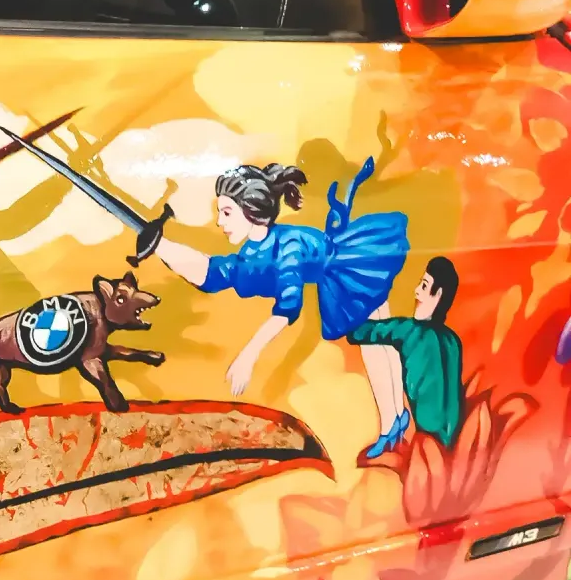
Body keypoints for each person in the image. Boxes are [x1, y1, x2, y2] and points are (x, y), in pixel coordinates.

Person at [151, 161, 412, 458]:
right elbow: (213, 273)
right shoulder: (252, 251)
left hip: (352, 265)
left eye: (227, 213)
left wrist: (249, 355)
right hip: (336, 274)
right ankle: (395, 422)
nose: (220, 222)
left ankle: (394, 421)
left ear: (250, 210)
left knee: (378, 343)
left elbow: (287, 309)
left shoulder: (288, 246)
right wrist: (160, 246)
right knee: (377, 341)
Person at [346, 256, 463, 448]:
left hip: (429, 443)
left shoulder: (410, 331)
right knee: (388, 340)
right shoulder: (453, 341)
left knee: (379, 338)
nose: (416, 291)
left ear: (438, 294)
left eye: (424, 286)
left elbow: (358, 333)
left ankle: (392, 421)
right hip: (451, 441)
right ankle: (396, 420)